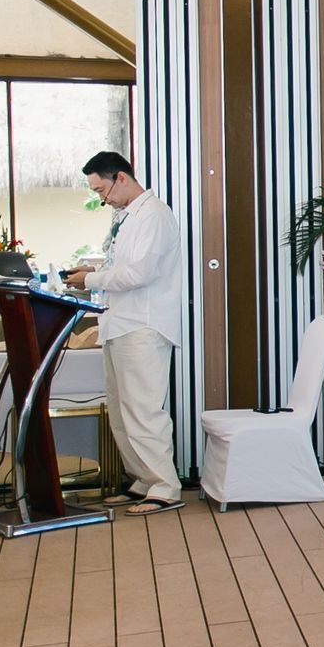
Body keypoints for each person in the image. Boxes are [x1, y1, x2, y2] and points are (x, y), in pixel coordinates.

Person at [66, 151, 185, 516]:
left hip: (142, 326)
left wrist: (91, 280)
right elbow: (121, 267)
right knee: (121, 412)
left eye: (101, 190)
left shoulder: (153, 215)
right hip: (119, 323)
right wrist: (91, 273)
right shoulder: (125, 216)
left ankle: (165, 486)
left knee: (143, 409)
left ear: (120, 177)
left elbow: (140, 274)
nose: (102, 199)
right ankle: (143, 480)